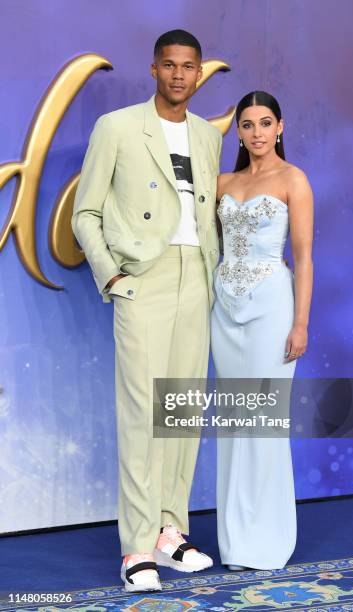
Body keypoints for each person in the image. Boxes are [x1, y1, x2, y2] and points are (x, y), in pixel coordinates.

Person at [72, 29, 222, 592]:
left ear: (199, 71)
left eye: (189, 66)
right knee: (142, 416)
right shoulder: (117, 127)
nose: (180, 75)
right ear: (154, 69)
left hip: (197, 279)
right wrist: (111, 275)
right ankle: (137, 548)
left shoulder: (208, 136)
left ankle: (169, 530)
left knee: (182, 412)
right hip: (143, 281)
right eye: (169, 65)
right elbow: (84, 213)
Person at [211, 91, 313, 570]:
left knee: (264, 424)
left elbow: (305, 259)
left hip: (273, 308)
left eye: (264, 123)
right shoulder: (222, 182)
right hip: (223, 311)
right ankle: (234, 543)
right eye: (247, 125)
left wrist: (301, 324)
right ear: (238, 132)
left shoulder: (294, 180)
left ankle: (267, 540)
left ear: (281, 127)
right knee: (234, 425)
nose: (256, 133)